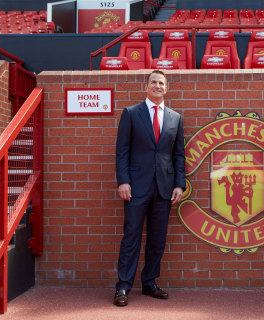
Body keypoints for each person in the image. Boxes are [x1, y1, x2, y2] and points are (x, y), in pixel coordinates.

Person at [113, 70, 186, 307]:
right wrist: (123, 181)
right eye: (153, 82)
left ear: (167, 88)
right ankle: (123, 286)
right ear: (146, 87)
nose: (157, 86)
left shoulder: (175, 118)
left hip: (164, 188)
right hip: (135, 186)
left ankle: (149, 282)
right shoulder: (131, 114)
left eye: (161, 83)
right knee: (131, 236)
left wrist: (179, 183)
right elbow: (122, 151)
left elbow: (178, 155)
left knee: (158, 238)